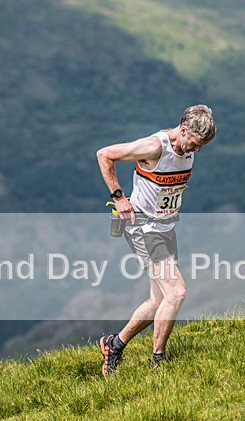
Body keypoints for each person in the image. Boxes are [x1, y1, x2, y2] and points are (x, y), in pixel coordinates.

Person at [96, 104, 216, 378]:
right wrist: (119, 197)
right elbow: (104, 155)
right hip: (143, 227)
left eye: (202, 147)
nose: (197, 151)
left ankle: (114, 345)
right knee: (177, 292)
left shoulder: (186, 147)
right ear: (183, 130)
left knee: (158, 299)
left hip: (166, 227)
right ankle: (157, 360)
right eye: (196, 144)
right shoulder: (154, 147)